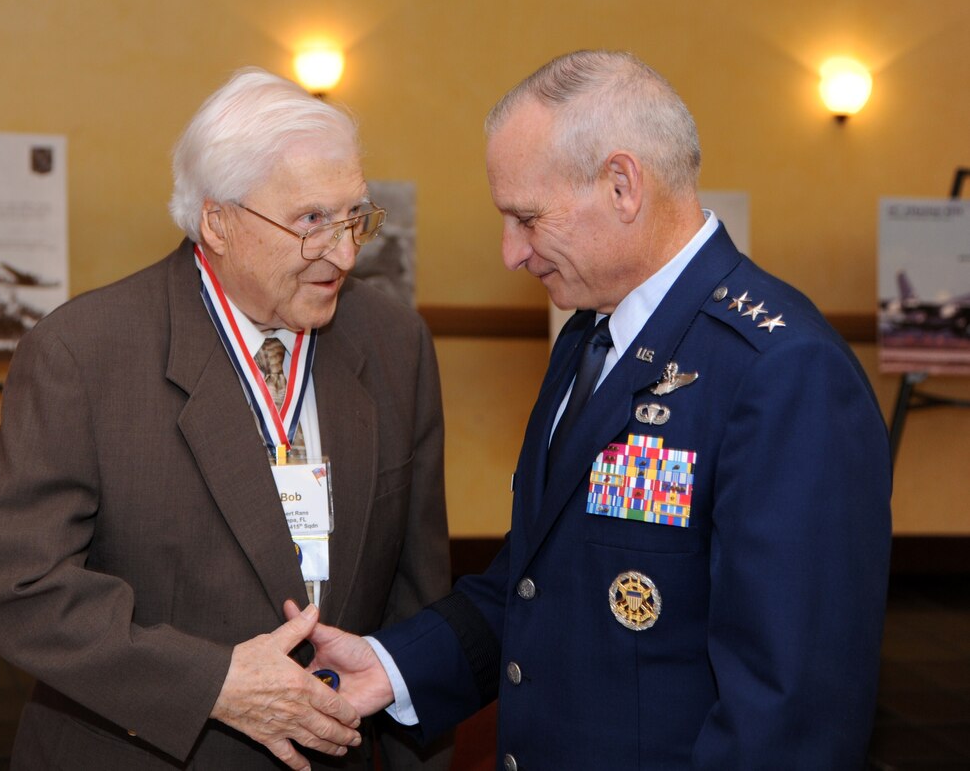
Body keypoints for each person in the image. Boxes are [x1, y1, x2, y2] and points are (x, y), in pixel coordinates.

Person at [291, 50, 893, 770]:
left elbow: (791, 716)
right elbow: (540, 580)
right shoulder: (590, 335)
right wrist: (392, 667)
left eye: (527, 218)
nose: (512, 253)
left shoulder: (784, 372)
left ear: (621, 185)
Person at [0, 68, 452, 771]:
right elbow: (17, 589)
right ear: (217, 220)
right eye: (312, 220)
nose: (344, 253)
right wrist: (211, 684)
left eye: (354, 217)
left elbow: (418, 597)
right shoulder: (84, 353)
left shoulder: (394, 344)